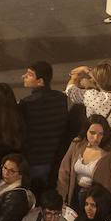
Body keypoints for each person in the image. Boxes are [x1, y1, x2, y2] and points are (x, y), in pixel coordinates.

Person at [57, 114, 111, 213]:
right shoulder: (77, 145)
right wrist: (60, 199)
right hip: (76, 197)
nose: (96, 137)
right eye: (92, 133)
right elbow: (64, 173)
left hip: (99, 202)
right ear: (86, 131)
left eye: (101, 134)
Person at [19, 60, 69, 188]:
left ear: (40, 81)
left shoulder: (27, 103)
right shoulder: (61, 98)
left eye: (30, 75)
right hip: (58, 158)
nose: (24, 77)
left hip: (36, 159)